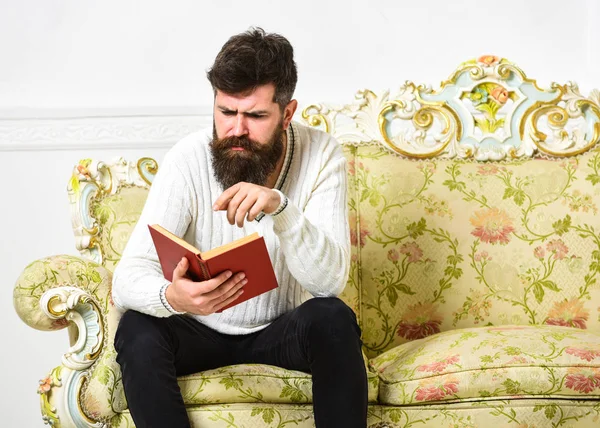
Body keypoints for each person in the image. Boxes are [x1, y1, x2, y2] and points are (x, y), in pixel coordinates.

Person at [112, 27, 367, 428]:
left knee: (333, 317)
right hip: (196, 330)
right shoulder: (188, 158)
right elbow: (126, 278)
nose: (237, 130)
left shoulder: (321, 154)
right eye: (226, 112)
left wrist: (281, 209)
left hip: (279, 333)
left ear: (287, 113)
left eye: (256, 115)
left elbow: (328, 284)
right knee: (137, 327)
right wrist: (174, 297)